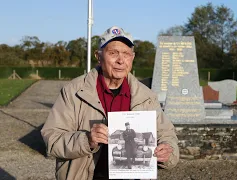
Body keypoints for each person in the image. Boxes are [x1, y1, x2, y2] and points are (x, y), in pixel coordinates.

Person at [41, 26, 179, 180]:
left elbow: (167, 134)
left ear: (132, 58)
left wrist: (168, 150)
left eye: (126, 54)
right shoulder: (73, 92)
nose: (120, 60)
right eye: (113, 53)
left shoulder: (146, 96)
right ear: (98, 57)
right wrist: (86, 140)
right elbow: (52, 139)